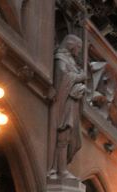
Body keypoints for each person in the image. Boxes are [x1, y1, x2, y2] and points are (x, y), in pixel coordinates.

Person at [49, 34, 86, 180]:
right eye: (79, 47)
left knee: (69, 137)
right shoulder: (60, 58)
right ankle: (59, 169)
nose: (79, 51)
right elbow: (62, 76)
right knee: (63, 135)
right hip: (65, 103)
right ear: (72, 45)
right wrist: (79, 77)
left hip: (73, 103)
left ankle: (62, 169)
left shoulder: (71, 60)